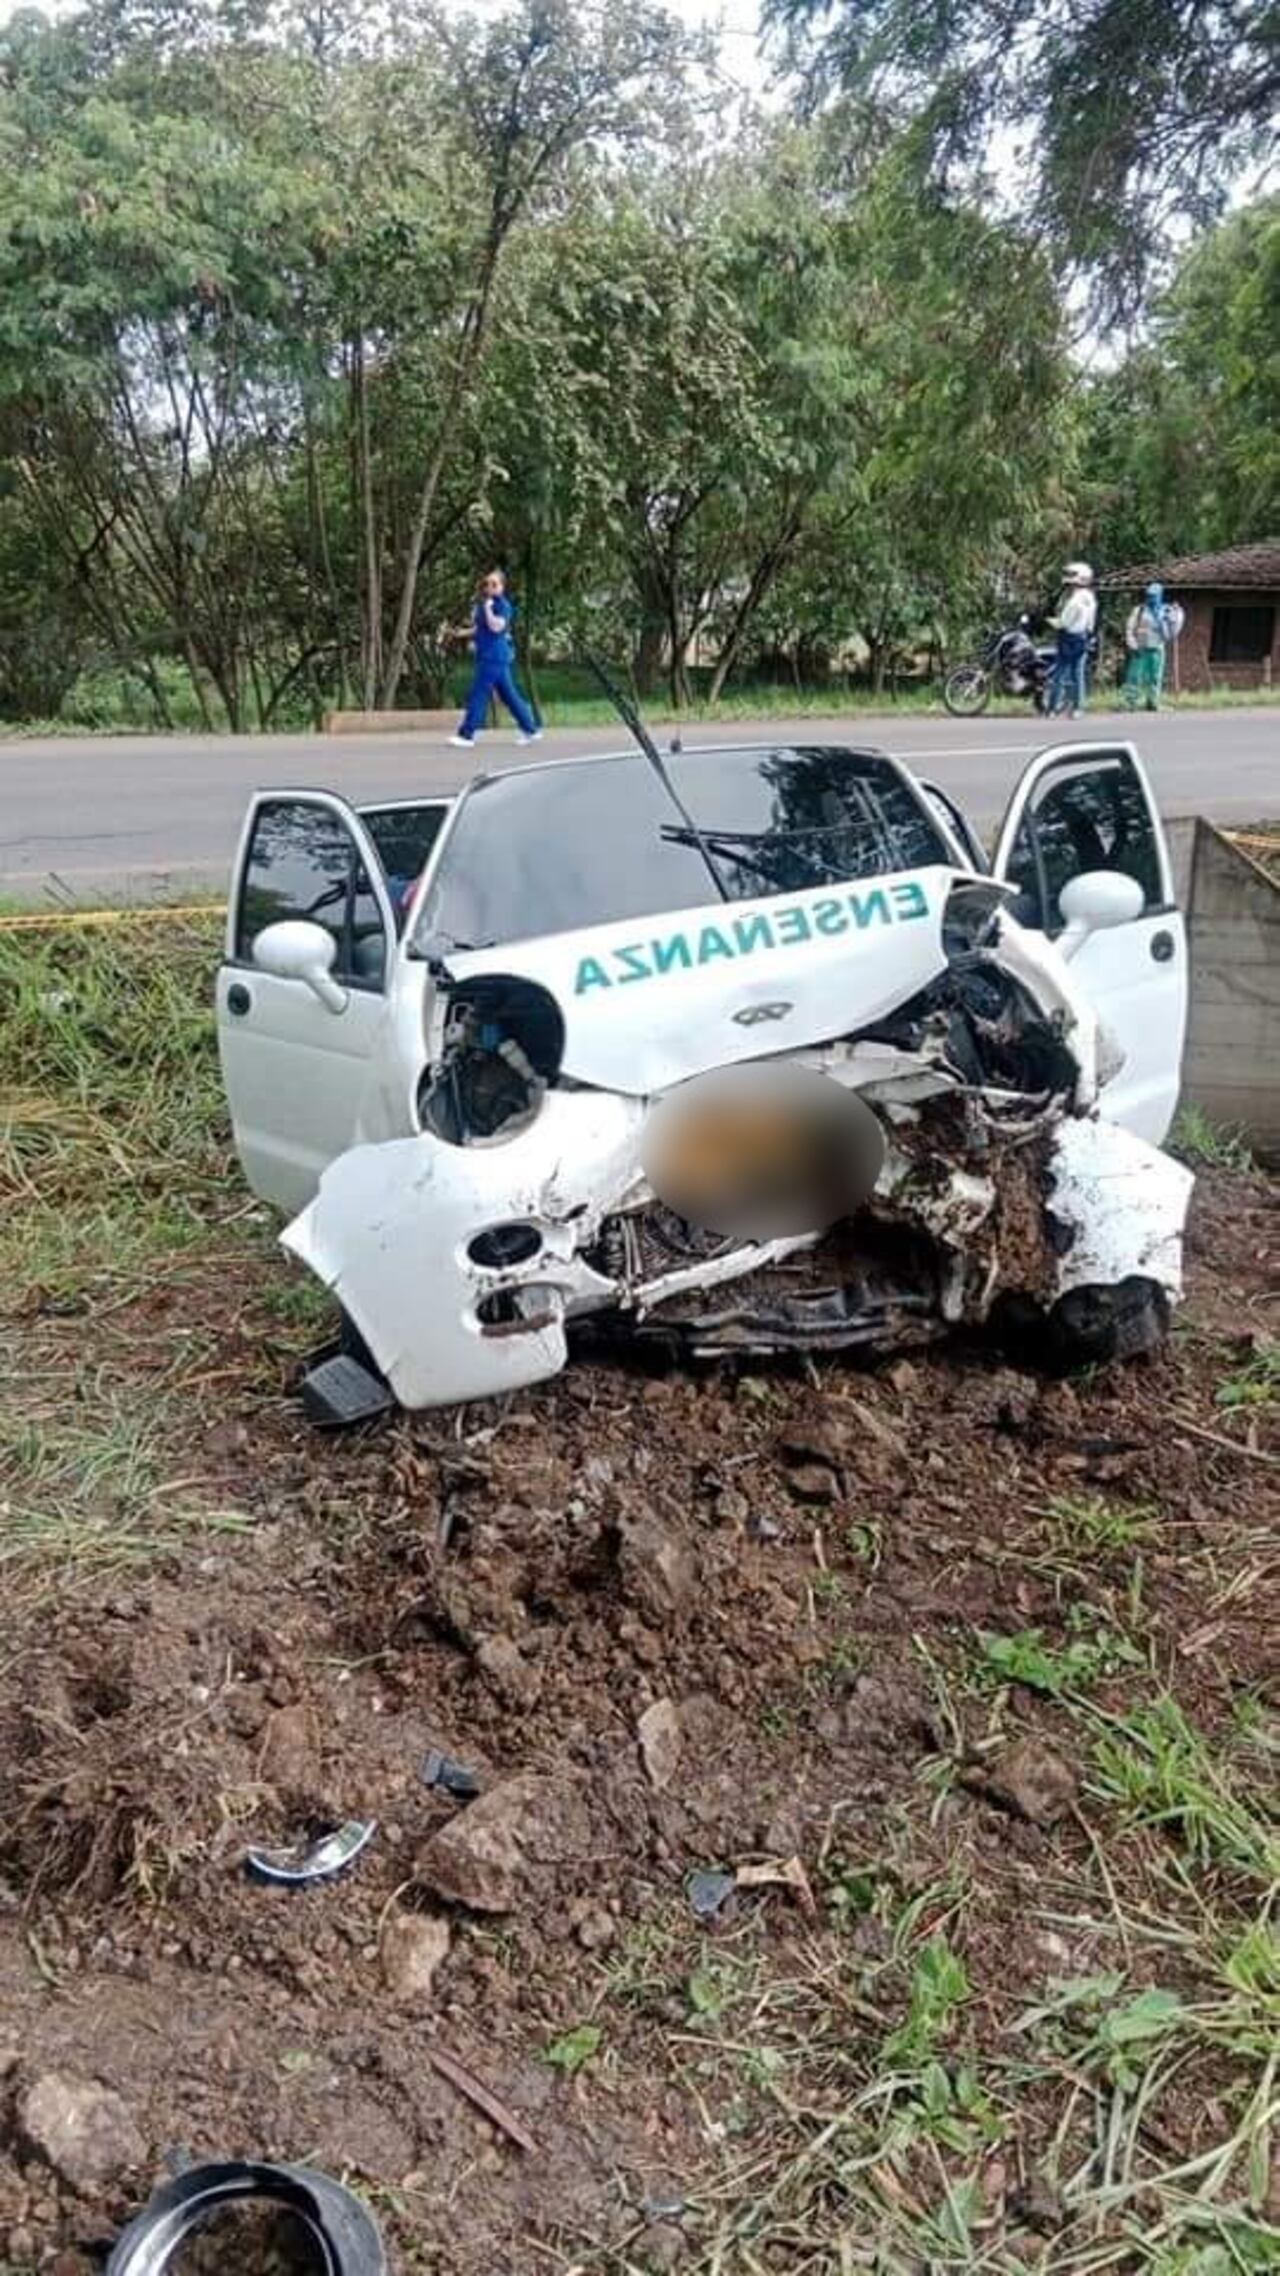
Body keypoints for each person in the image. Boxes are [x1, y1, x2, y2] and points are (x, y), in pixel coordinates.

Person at [449, 569, 542, 748]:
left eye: (494, 584)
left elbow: (497, 627)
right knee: (509, 695)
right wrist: (462, 633)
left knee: (478, 693)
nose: (489, 587)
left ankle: (466, 735)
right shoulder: (486, 603)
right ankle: (531, 729)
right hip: (490, 656)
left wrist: (487, 609)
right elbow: (480, 628)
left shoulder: (503, 605)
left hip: (494, 657)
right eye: (487, 584)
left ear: (502, 586)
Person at [1045, 561, 1098, 719]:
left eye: (1071, 575)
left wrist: (1048, 621)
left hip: (1067, 637)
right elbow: (1091, 623)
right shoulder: (1090, 598)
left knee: (1059, 674)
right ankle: (1078, 708)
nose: (1067, 578)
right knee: (1077, 674)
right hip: (1083, 637)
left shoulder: (1074, 599)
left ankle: (1052, 709)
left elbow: (1064, 622)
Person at [1123, 581, 1180, 711]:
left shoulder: (1165, 610)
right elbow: (1129, 628)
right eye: (1149, 595)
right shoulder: (1139, 610)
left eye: (1154, 596)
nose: (1151, 598)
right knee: (1135, 676)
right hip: (1140, 648)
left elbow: (1174, 626)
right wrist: (1132, 644)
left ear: (1160, 596)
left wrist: (1175, 614)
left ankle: (1153, 702)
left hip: (1157, 648)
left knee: (1155, 677)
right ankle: (1131, 702)